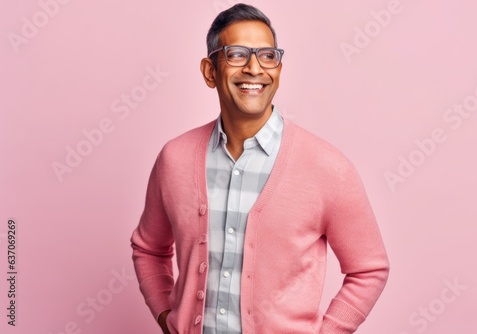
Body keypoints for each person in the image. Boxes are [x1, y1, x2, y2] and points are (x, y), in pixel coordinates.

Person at [130, 3, 389, 334]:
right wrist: (167, 315)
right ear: (210, 71)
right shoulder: (175, 159)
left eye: (268, 56)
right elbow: (149, 248)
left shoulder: (326, 168)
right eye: (237, 54)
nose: (255, 68)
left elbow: (369, 269)